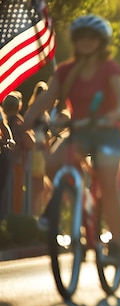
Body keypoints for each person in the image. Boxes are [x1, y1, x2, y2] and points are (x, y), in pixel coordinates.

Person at [23, 14, 120, 262]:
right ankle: (73, 208)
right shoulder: (65, 71)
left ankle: (116, 244)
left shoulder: (109, 68)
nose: (86, 41)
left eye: (92, 37)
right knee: (52, 164)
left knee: (107, 184)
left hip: (108, 133)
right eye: (81, 37)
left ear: (101, 41)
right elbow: (46, 98)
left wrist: (115, 113)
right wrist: (24, 124)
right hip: (79, 132)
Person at [27, 82, 53, 215]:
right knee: (38, 186)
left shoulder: (44, 114)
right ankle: (34, 213)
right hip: (37, 151)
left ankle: (38, 213)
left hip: (43, 151)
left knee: (45, 187)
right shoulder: (35, 112)